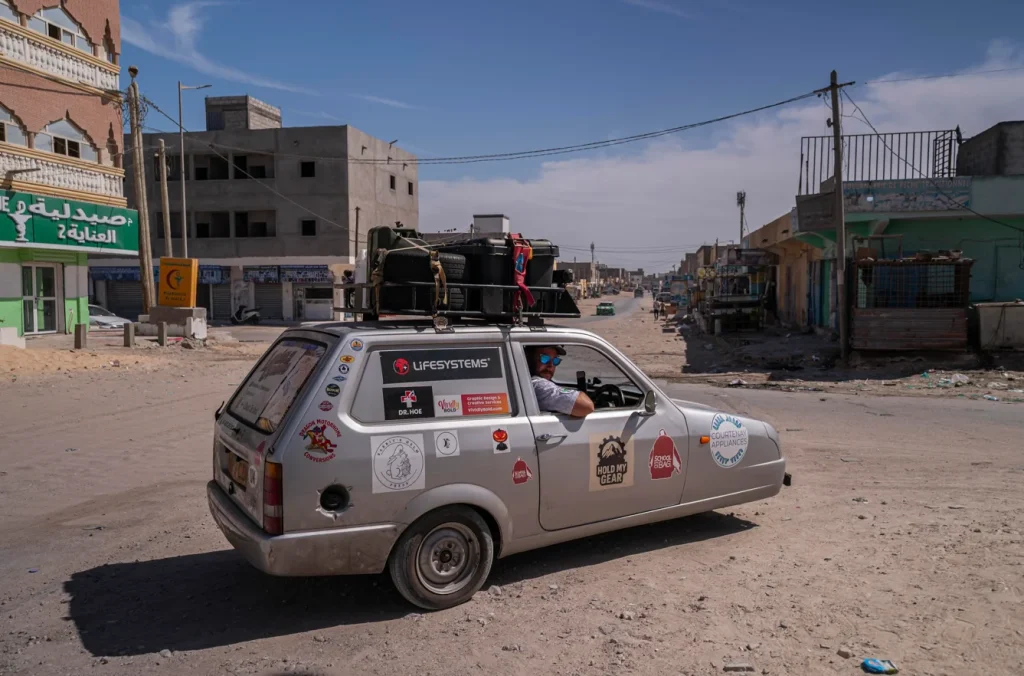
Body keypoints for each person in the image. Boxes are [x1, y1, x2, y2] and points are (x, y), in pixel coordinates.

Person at [527, 346, 595, 417]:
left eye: (555, 361)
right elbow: (586, 406)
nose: (551, 365)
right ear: (530, 359)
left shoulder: (525, 382)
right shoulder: (538, 385)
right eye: (545, 359)